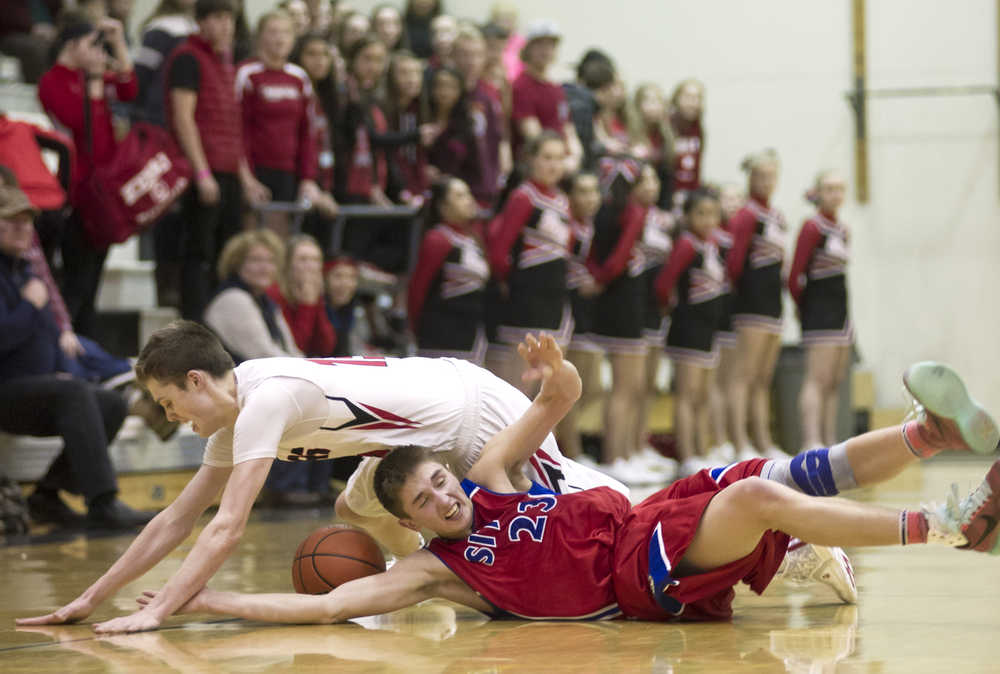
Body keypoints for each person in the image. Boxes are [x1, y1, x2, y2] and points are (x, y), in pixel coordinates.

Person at [121, 335, 1000, 629]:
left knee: (776, 473)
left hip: (644, 517)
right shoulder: (440, 572)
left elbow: (564, 398)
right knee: (759, 500)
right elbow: (320, 608)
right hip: (634, 578)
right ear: (412, 521)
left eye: (440, 480)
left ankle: (929, 432)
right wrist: (204, 604)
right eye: (426, 500)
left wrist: (554, 375)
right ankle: (947, 526)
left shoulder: (495, 475)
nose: (444, 496)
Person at [13, 319, 627, 633]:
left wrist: (163, 608)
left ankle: (630, 512)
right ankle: (429, 580)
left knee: (570, 519)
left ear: (197, 381)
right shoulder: (234, 413)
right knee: (355, 512)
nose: (169, 416)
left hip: (470, 412)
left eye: (170, 402)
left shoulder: (266, 401)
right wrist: (90, 599)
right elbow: (177, 517)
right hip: (411, 445)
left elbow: (226, 526)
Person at [0, 184, 155, 530]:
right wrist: (29, 305)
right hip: (6, 390)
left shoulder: (24, 272)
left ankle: (47, 495)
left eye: (27, 223)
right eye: (12, 222)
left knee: (110, 403)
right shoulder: (24, 284)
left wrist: (62, 371)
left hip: (37, 388)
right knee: (75, 393)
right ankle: (103, 501)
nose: (23, 229)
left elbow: (49, 341)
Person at [165, 0, 270, 321]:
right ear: (201, 22)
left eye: (230, 19)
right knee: (199, 253)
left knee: (229, 254)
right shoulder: (187, 58)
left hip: (228, 172)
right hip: (204, 171)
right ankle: (194, 326)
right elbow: (184, 118)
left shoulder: (225, 62)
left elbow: (231, 126)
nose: (226, 26)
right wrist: (202, 172)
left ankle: (224, 324)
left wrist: (246, 177)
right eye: (218, 18)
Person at [38, 10, 136, 338]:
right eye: (94, 44)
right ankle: (67, 343)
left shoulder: (91, 76)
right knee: (77, 281)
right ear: (74, 43)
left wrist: (119, 44)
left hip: (105, 191)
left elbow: (129, 90)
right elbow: (83, 129)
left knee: (93, 281)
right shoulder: (54, 80)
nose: (99, 53)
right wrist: (95, 81)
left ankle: (88, 346)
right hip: (78, 193)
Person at [587, 161, 667, 485]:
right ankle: (614, 457)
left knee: (628, 388)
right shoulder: (633, 212)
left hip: (620, 301)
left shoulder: (606, 211)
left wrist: (597, 277)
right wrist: (602, 279)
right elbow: (618, 257)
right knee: (626, 388)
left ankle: (626, 454)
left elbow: (592, 254)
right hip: (624, 302)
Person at [487, 131, 573, 393]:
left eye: (559, 158)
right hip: (527, 299)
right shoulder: (524, 196)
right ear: (531, 160)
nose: (553, 165)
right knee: (519, 389)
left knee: (548, 390)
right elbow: (499, 251)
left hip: (554, 297)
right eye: (547, 157)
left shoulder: (561, 199)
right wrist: (511, 284)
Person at [655, 188, 728, 477]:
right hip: (688, 329)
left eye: (713, 214)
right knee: (687, 395)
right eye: (701, 213)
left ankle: (701, 449)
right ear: (687, 217)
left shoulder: (711, 245)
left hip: (707, 330)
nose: (708, 220)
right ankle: (686, 454)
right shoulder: (686, 245)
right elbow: (664, 284)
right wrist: (672, 309)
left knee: (701, 394)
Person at [236, 10, 328, 230]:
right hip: (255, 170)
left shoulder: (299, 77)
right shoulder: (247, 74)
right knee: (253, 237)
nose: (280, 38)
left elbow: (307, 133)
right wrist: (246, 178)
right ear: (259, 37)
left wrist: (308, 178)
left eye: (286, 33)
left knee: (280, 237)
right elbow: (237, 131)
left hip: (287, 172)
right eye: (273, 32)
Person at [726, 149, 787, 460]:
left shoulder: (776, 215)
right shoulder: (747, 214)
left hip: (773, 302)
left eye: (770, 176)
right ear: (750, 178)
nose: (765, 182)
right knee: (744, 375)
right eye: (759, 176)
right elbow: (734, 261)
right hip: (750, 303)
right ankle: (739, 443)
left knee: (763, 378)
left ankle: (763, 441)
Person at [791, 171, 852, 451]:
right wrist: (804, 308)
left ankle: (829, 440)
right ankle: (810, 440)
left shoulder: (842, 229)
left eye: (839, 188)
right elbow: (795, 276)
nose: (835, 194)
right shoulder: (812, 227)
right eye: (829, 189)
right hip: (818, 311)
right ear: (817, 192)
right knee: (817, 378)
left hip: (840, 310)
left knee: (834, 380)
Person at [408, 177, 488, 364]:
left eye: (468, 194)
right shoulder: (438, 239)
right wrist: (415, 329)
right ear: (443, 206)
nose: (469, 200)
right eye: (460, 196)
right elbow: (418, 290)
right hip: (443, 335)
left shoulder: (473, 238)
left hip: (471, 331)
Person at [554, 171, 601, 460]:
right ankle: (569, 452)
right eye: (582, 191)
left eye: (594, 190)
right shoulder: (566, 225)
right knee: (569, 386)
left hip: (585, 311)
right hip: (566, 305)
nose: (590, 197)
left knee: (589, 387)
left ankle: (573, 449)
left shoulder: (590, 225)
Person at [203, 229, 301, 363]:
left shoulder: (266, 302)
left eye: (271, 261)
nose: (265, 267)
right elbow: (263, 355)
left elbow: (291, 349)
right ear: (237, 265)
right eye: (256, 260)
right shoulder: (233, 299)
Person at [510, 19, 582, 170]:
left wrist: (575, 155)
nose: (546, 50)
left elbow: (568, 128)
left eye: (551, 45)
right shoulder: (522, 86)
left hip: (561, 164)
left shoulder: (556, 88)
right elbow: (533, 135)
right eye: (540, 45)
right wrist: (558, 161)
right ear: (528, 49)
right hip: (538, 167)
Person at [267, 233, 336, 358]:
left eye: (316, 260)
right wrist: (307, 306)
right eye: (303, 259)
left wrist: (315, 303)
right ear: (287, 264)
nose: (310, 266)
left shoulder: (314, 291)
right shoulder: (274, 293)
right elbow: (294, 347)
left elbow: (326, 347)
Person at [668, 79, 704, 214]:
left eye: (697, 98)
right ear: (676, 99)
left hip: (690, 194)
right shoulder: (668, 125)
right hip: (669, 195)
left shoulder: (698, 128)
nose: (693, 103)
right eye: (688, 97)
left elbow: (697, 165)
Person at [323, 255, 360, 356]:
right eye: (338, 276)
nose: (345, 283)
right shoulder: (316, 311)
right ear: (324, 278)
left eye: (352, 277)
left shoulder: (350, 312)